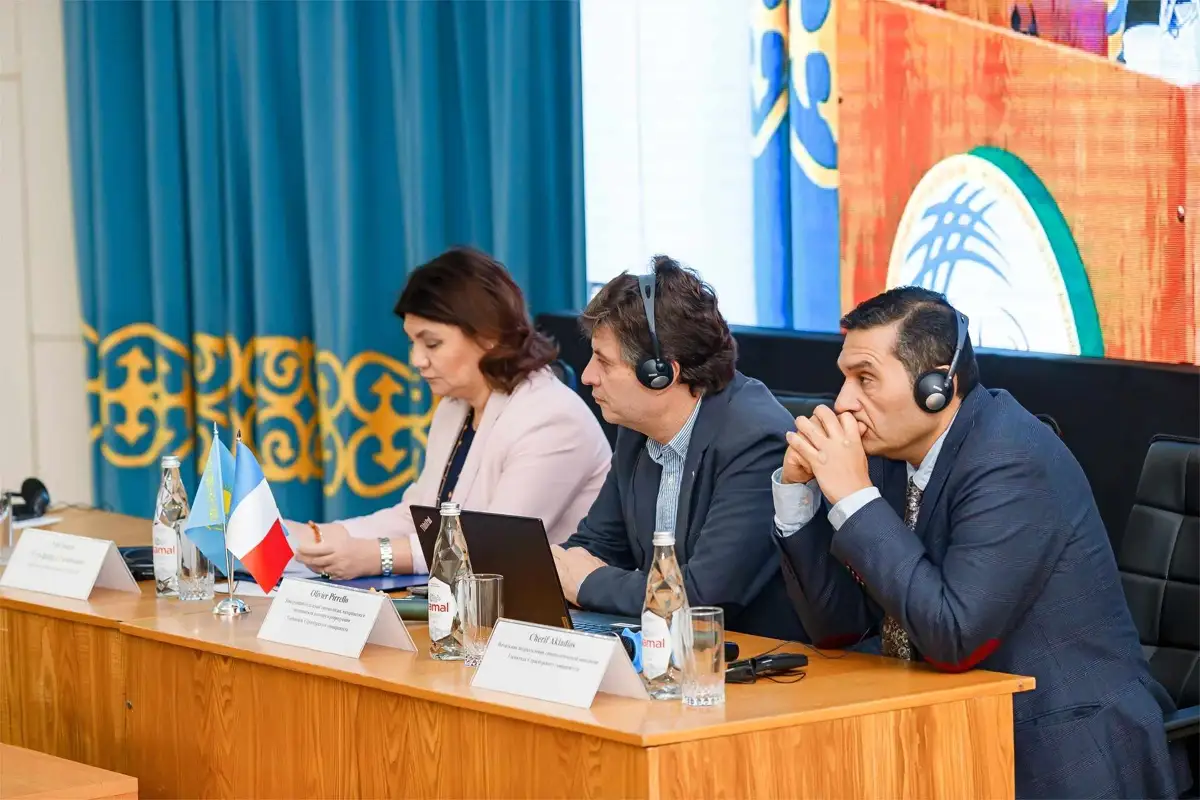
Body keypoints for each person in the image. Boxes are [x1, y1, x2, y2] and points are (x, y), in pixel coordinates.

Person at [771, 286, 1190, 798]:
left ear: (936, 386)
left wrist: (856, 499)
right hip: (947, 732)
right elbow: (839, 629)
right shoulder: (883, 456)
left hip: (1063, 748)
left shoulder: (1011, 460)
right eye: (844, 378)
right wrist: (796, 494)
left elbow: (954, 636)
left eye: (866, 379)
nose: (842, 402)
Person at [292, 247, 612, 579]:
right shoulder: (455, 406)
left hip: (544, 607)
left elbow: (493, 544)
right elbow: (419, 519)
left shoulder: (552, 419)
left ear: (488, 335)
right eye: (412, 343)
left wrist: (379, 556)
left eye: (432, 344)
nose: (417, 360)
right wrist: (319, 536)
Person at [553, 256, 806, 641]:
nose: (587, 376)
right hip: (665, 651)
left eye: (603, 362)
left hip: (753, 661)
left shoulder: (757, 440)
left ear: (659, 374)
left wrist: (588, 584)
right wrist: (571, 572)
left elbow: (705, 595)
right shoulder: (636, 429)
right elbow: (594, 547)